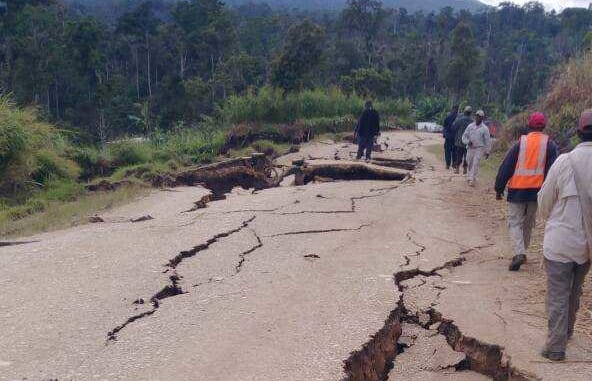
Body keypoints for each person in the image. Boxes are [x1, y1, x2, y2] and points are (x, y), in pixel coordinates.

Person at [537, 110, 592, 361]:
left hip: (561, 241)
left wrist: (549, 218)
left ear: (579, 133)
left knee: (559, 292)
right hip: (587, 245)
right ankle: (567, 331)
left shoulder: (564, 161)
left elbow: (545, 200)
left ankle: (556, 346)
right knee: (575, 290)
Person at [495, 112, 559, 271]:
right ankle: (521, 251)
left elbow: (506, 167)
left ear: (528, 125)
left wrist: (499, 187)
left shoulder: (520, 143)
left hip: (517, 190)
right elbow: (553, 171)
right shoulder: (550, 145)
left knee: (514, 222)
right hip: (537, 192)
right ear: (543, 126)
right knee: (528, 223)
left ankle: (519, 253)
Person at [462, 110, 491, 187]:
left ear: (482, 118)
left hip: (479, 148)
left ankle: (472, 179)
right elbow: (464, 136)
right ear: (475, 116)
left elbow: (487, 140)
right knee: (469, 162)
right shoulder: (470, 126)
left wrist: (487, 151)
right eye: (477, 116)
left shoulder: (485, 128)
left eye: (480, 116)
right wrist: (467, 142)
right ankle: (469, 176)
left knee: (475, 163)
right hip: (470, 148)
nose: (478, 118)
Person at [452, 106, 473, 174]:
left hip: (459, 141)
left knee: (459, 155)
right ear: (470, 113)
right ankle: (465, 169)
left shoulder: (459, 120)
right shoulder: (472, 122)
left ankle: (457, 169)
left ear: (464, 112)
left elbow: (454, 127)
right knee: (467, 156)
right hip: (468, 142)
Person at [443, 105, 460, 169]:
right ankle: (452, 164)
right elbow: (445, 127)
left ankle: (449, 164)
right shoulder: (458, 118)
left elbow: (444, 127)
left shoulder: (448, 117)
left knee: (449, 151)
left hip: (450, 137)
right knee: (454, 151)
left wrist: (444, 134)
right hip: (453, 137)